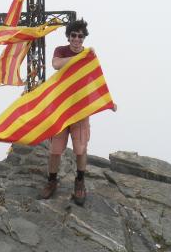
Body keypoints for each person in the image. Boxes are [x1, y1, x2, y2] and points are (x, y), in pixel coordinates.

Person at [40, 19, 117, 205]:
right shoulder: (62, 50)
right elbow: (56, 64)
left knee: (80, 149)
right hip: (60, 109)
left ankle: (80, 182)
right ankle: (51, 181)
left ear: (84, 38)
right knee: (55, 150)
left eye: (80, 36)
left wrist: (108, 101)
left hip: (81, 109)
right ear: (68, 36)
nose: (76, 39)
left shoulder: (89, 56)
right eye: (73, 35)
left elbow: (97, 80)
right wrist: (80, 57)